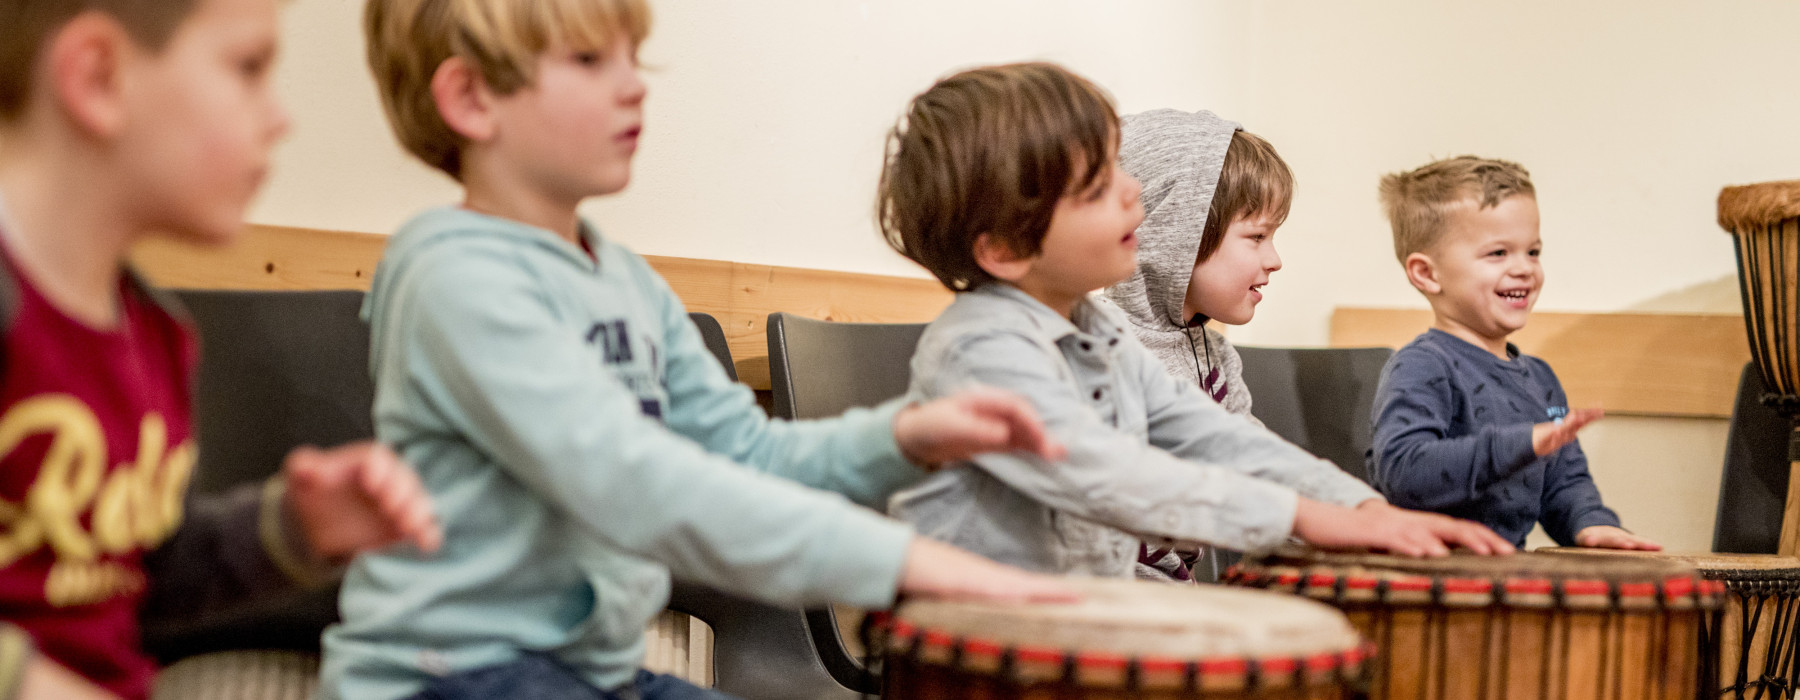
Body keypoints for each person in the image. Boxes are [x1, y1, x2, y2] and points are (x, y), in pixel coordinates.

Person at [323, 2, 1075, 698]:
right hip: (449, 676)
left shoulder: (623, 280)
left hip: (589, 676)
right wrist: (904, 564)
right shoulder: (453, 276)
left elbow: (749, 454)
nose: (634, 87)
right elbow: (640, 486)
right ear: (471, 99)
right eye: (590, 61)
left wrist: (904, 438)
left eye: (634, 58)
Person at [879, 62, 1512, 583]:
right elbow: (1112, 477)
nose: (1133, 193)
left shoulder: (1093, 331)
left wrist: (1362, 507)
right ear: (1006, 247)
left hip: (1075, 623)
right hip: (971, 648)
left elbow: (1219, 438)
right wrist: (1303, 516)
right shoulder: (985, 348)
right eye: (1097, 187)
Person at [0, 0, 443, 697]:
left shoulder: (154, 333)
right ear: (98, 77)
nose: (281, 118)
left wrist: (296, 528)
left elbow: (131, 580)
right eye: (249, 67)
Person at [1367, 155, 1659, 551]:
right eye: (1498, 253)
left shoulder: (1542, 380)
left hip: (1505, 569)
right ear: (1427, 273)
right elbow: (1404, 472)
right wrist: (1523, 442)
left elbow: (1565, 481)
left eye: (1533, 252)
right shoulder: (1420, 366)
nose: (1524, 268)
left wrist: (1590, 523)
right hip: (1429, 570)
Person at [1100, 108, 1296, 581]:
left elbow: (1257, 468)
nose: (1275, 259)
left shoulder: (1217, 356)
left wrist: (1353, 522)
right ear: (1176, 234)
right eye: (1257, 237)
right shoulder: (1100, 345)